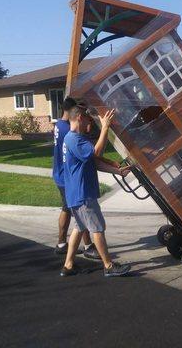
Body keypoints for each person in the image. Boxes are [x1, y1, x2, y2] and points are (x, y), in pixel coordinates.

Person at [60, 103, 131, 277]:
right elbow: (96, 152)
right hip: (83, 194)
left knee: (79, 227)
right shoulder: (74, 139)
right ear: (79, 118)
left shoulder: (74, 139)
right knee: (97, 227)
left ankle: (68, 265)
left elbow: (94, 162)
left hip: (75, 193)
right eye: (88, 120)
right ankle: (108, 266)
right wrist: (105, 127)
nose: (89, 125)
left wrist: (118, 171)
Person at [52, 97, 100, 260]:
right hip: (68, 176)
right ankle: (88, 246)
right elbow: (91, 153)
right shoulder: (69, 132)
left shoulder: (58, 124)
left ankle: (62, 247)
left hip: (61, 172)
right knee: (79, 212)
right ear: (74, 112)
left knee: (69, 209)